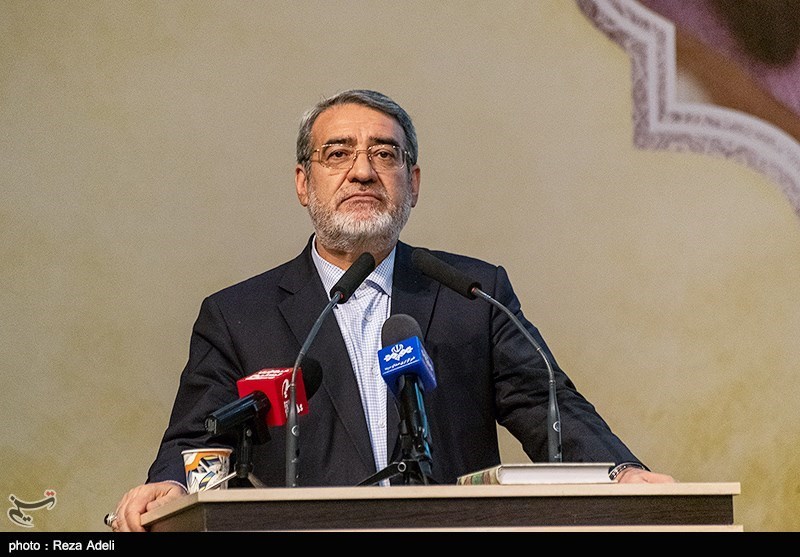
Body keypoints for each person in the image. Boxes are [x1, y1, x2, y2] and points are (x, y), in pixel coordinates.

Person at [109, 88, 674, 532]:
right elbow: (197, 439)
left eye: (385, 154)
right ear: (303, 183)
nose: (362, 171)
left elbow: (547, 406)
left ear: (413, 183)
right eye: (338, 154)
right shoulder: (239, 316)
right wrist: (169, 486)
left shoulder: (472, 294)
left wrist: (620, 473)